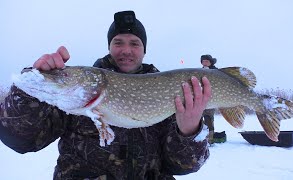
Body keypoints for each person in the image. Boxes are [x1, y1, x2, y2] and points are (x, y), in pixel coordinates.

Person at [0, 11, 212, 180]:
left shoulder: (171, 91)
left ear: (144, 50)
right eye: (118, 42)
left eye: (134, 43)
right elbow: (19, 140)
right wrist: (30, 89)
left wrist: (190, 132)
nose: (126, 50)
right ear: (109, 46)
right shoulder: (74, 98)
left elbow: (184, 166)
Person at [200, 54, 217, 145]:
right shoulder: (198, 71)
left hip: (211, 100)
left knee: (208, 119)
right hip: (200, 100)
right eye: (203, 61)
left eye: (207, 61)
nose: (205, 63)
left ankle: (209, 140)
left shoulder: (216, 72)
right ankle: (200, 140)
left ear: (210, 62)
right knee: (199, 120)